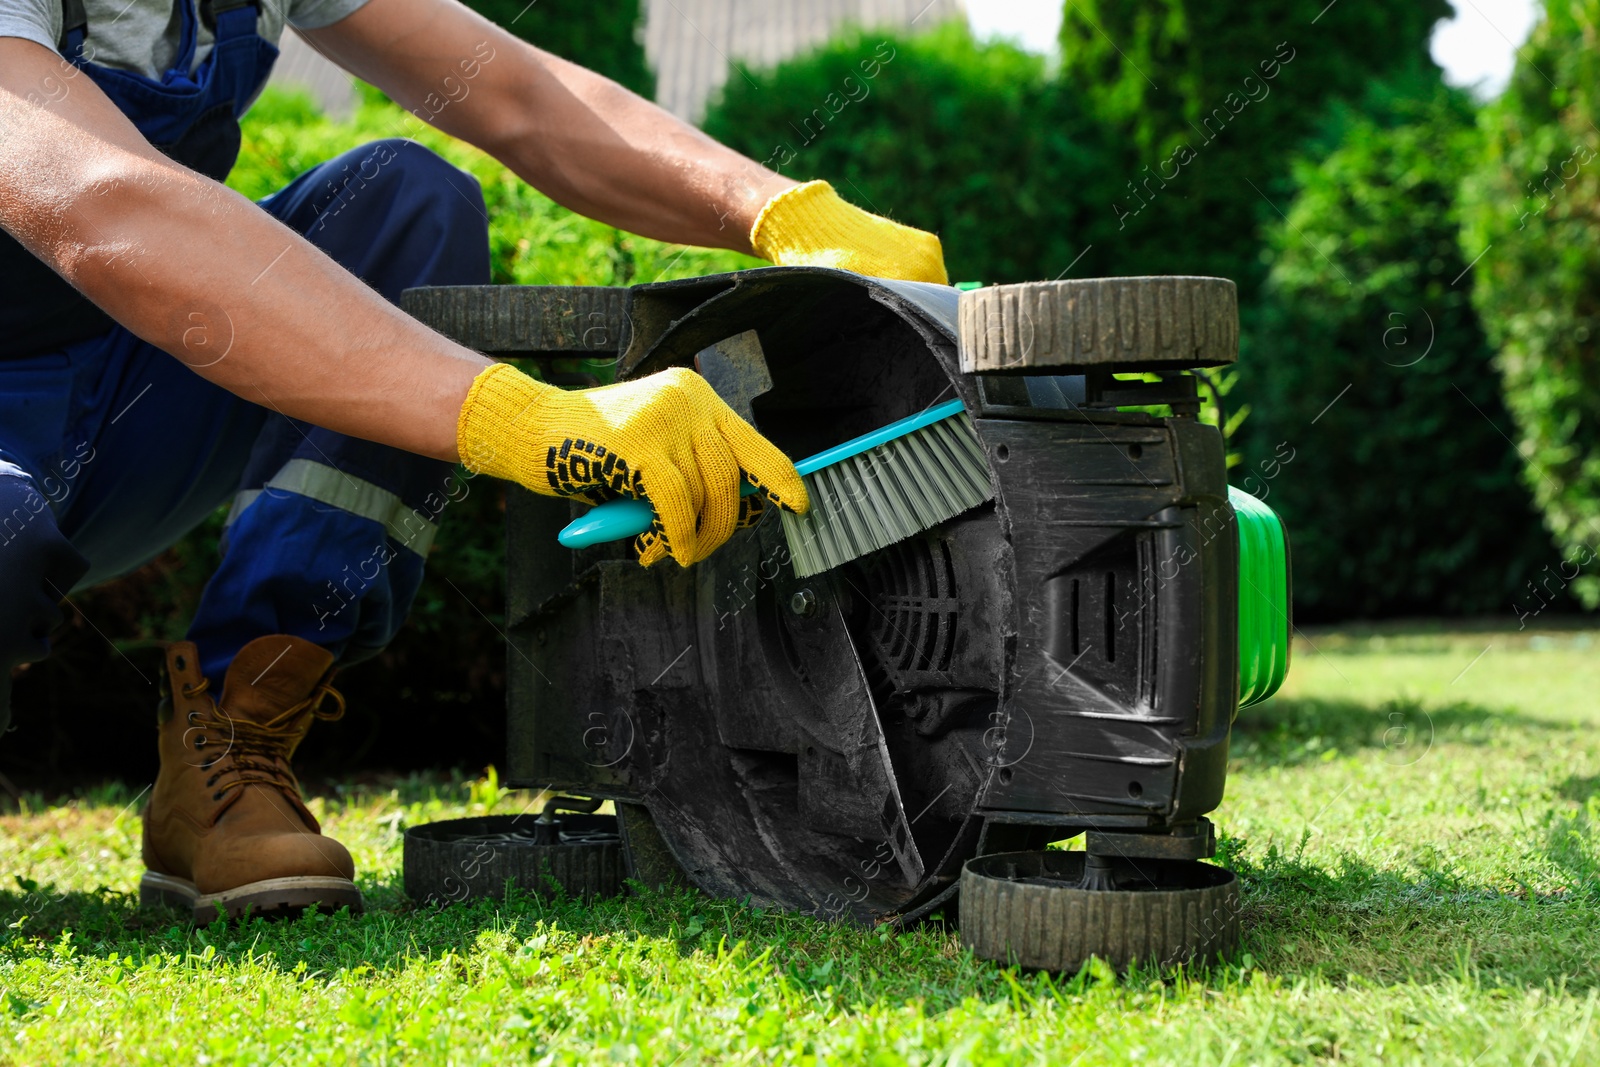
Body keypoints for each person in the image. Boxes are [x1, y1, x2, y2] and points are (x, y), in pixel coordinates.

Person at [0, 0, 948, 921]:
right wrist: (518, 417)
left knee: (408, 204)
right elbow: (103, 204)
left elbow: (520, 98)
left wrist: (780, 212)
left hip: (130, 392)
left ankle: (233, 737)